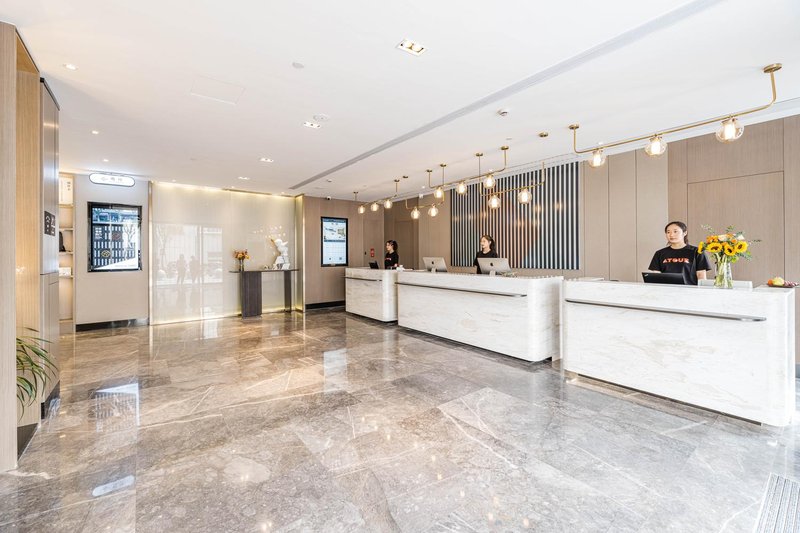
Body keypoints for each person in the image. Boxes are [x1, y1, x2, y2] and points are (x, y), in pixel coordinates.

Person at [648, 221, 710, 285]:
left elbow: (701, 275)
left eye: (675, 231)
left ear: (685, 233)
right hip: (666, 289)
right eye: (668, 232)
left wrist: (702, 289)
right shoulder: (659, 253)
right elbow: (656, 275)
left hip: (689, 289)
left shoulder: (697, 251)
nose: (671, 235)